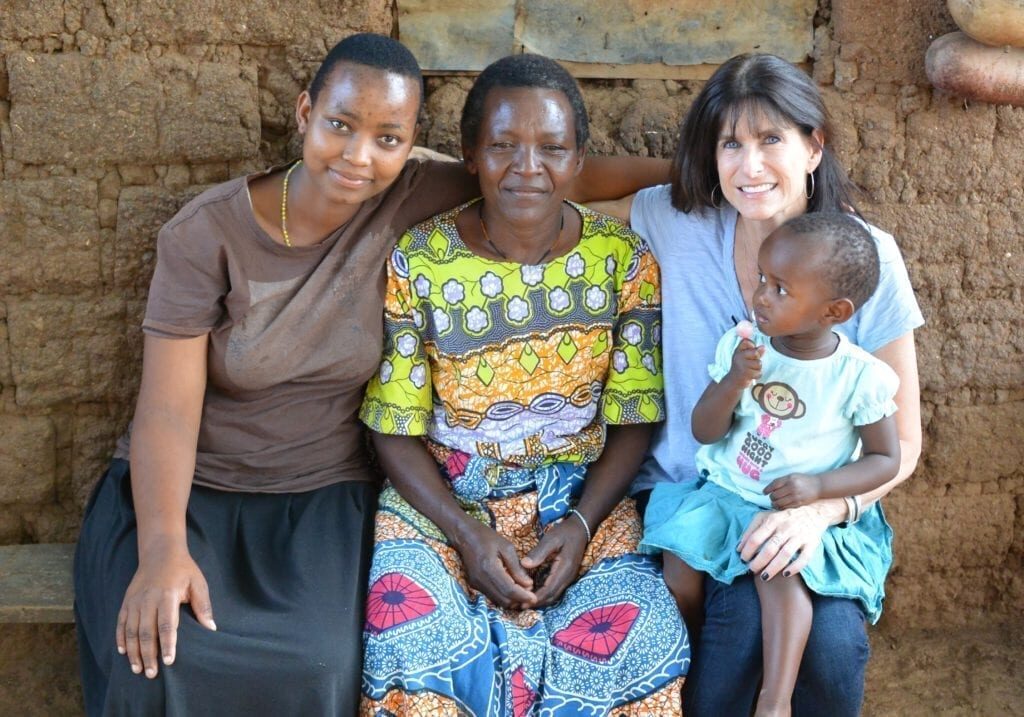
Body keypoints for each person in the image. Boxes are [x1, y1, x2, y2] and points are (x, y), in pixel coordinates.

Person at [73, 34, 669, 716]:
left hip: (317, 497)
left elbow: (556, 174)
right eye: (339, 126)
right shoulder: (206, 234)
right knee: (154, 658)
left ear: (414, 143)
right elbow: (167, 412)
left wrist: (708, 169)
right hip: (187, 492)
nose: (360, 156)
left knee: (321, 664)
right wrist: (161, 552)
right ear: (304, 114)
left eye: (389, 137)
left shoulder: (410, 193)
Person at [357, 54, 689, 716]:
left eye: (551, 148)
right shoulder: (417, 260)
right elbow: (390, 428)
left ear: (578, 161)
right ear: (470, 154)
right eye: (503, 146)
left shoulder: (623, 260)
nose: (527, 166)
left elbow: (633, 416)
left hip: (582, 501)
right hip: (442, 503)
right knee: (410, 639)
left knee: (641, 638)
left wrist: (581, 524)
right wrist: (465, 535)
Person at [596, 53, 924, 715]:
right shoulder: (678, 223)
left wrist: (821, 511)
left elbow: (905, 440)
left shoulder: (866, 260)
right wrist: (410, 180)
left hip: (816, 503)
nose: (750, 167)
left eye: (771, 140)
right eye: (730, 145)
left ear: (814, 145)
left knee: (832, 648)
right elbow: (547, 188)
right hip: (698, 494)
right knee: (739, 629)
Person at [641, 212, 902, 716]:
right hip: (724, 495)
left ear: (834, 311)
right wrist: (732, 382)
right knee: (679, 572)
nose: (762, 295)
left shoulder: (857, 377)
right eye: (763, 278)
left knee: (778, 574)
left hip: (789, 514)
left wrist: (820, 487)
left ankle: (774, 700)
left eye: (781, 289)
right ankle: (685, 669)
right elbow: (705, 431)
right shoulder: (745, 348)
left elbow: (885, 459)